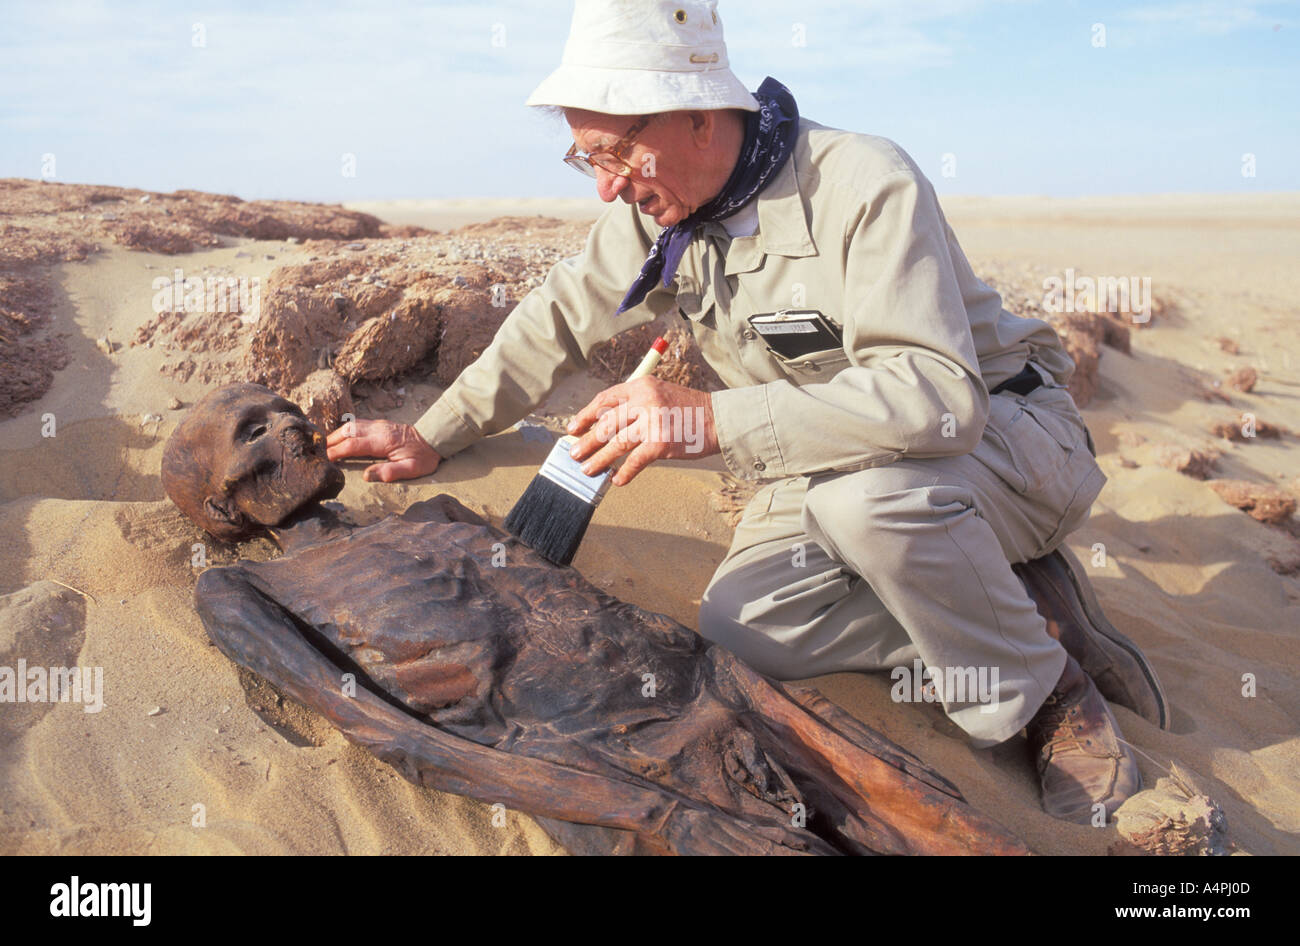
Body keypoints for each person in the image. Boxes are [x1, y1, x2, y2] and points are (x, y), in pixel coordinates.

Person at [324, 0, 1168, 824]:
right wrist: (431, 432)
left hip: (1006, 437)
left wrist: (706, 421)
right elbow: (557, 317)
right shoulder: (653, 209)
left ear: (701, 116)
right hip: (837, 458)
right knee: (749, 626)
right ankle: (1012, 607)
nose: (609, 187)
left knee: (867, 507)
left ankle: (1049, 691)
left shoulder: (865, 183)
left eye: (618, 152)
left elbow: (937, 398)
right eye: (588, 161)